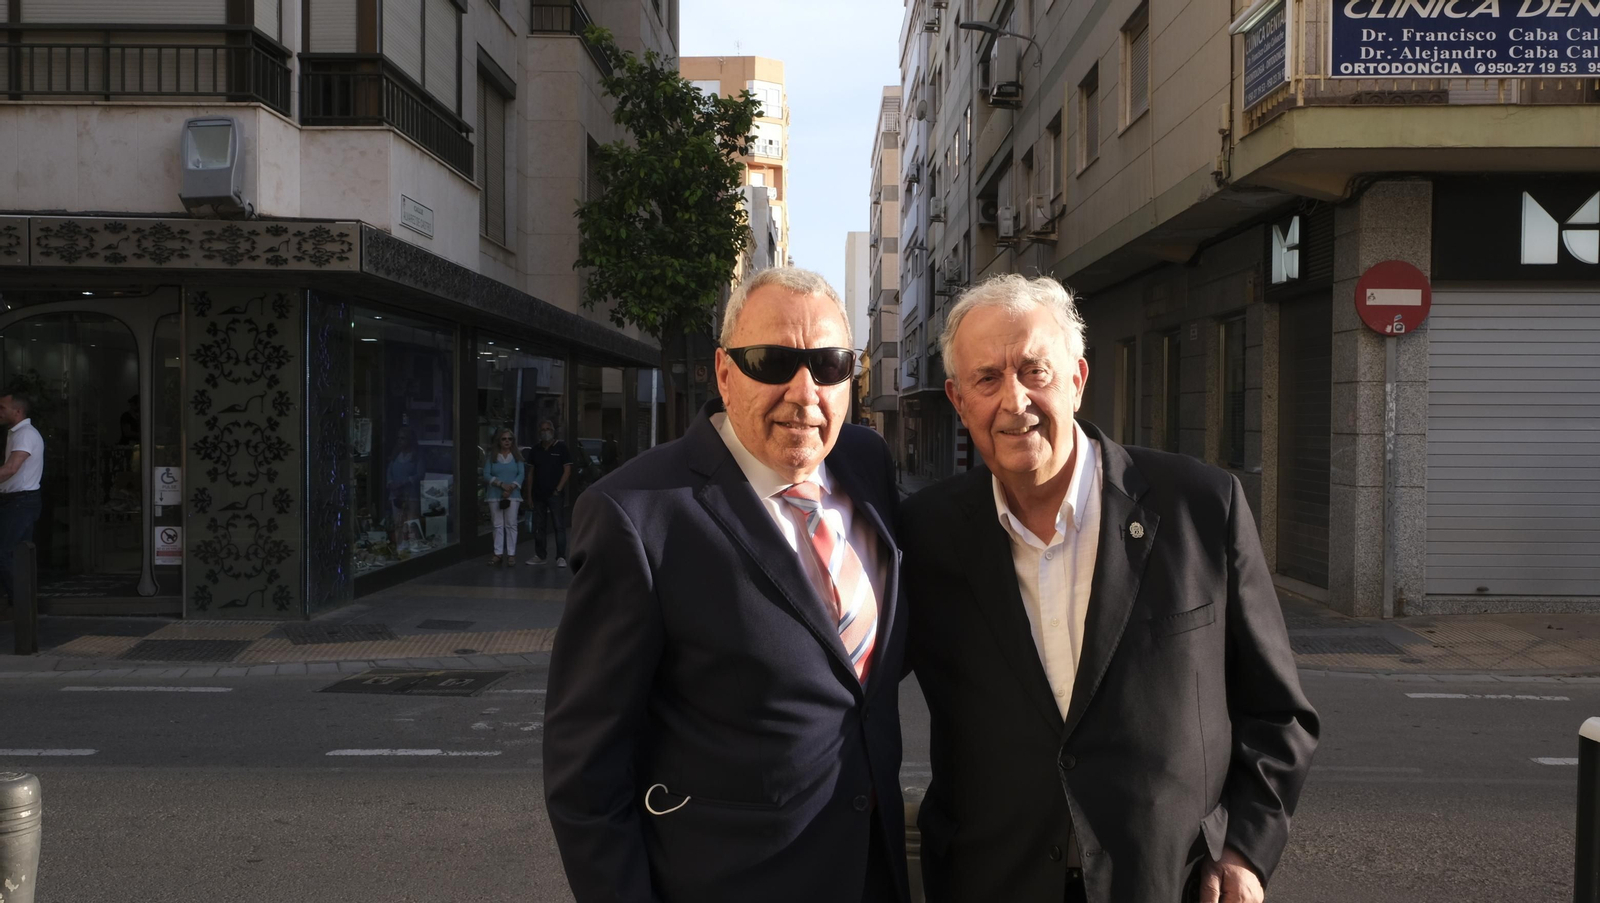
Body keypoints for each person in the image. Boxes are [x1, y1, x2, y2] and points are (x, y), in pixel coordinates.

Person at [901, 275, 1318, 903]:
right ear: (959, 402)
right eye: (987, 379)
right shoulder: (926, 534)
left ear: (1076, 379)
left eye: (1035, 370)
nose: (1014, 400)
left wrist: (1244, 854)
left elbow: (1278, 711)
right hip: (989, 879)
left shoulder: (1201, 506)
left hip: (1166, 882)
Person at [544, 267, 909, 903]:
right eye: (772, 361)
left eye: (829, 365)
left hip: (872, 874)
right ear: (723, 373)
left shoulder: (864, 462)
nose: (805, 392)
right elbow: (585, 775)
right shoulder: (635, 516)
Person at [0, 391, 44, 604]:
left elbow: (11, 469)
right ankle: (23, 605)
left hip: (21, 502)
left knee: (5, 554)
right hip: (19, 500)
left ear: (17, 411)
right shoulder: (18, 433)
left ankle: (21, 605)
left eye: (2, 408)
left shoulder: (25, 434)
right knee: (19, 555)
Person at [523, 419, 571, 568]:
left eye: (548, 429)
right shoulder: (535, 450)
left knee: (558, 526)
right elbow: (530, 474)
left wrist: (558, 489)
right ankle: (540, 555)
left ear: (553, 431)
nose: (545, 432)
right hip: (538, 494)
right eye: (542, 430)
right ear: (539, 433)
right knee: (539, 526)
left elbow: (567, 470)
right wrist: (529, 495)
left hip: (555, 495)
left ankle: (561, 557)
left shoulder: (561, 448)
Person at [483, 428, 524, 567]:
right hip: (495, 495)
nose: (507, 441)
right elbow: (486, 474)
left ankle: (511, 554)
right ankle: (498, 553)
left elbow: (521, 474)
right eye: (504, 439)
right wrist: (501, 484)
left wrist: (510, 487)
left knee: (511, 524)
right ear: (499, 441)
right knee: (497, 524)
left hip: (513, 495)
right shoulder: (491, 456)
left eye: (510, 439)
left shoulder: (517, 457)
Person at [385, 427, 425, 547]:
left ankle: (414, 547)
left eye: (403, 438)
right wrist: (391, 483)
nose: (400, 441)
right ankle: (400, 548)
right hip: (396, 495)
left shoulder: (417, 456)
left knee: (412, 523)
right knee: (398, 523)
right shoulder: (396, 455)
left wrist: (404, 482)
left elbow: (420, 474)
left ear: (410, 440)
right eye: (398, 438)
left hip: (411, 495)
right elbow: (389, 472)